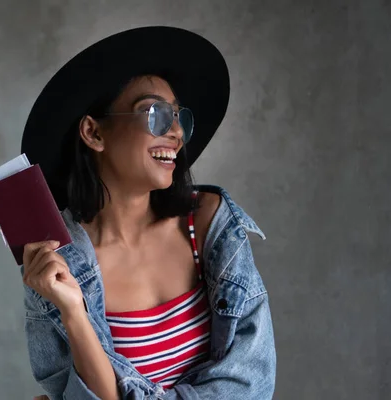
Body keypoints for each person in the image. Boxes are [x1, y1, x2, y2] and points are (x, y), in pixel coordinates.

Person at [19, 26, 276, 399]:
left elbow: (251, 385)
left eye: (178, 117)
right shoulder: (57, 263)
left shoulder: (210, 226)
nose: (176, 133)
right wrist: (74, 312)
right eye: (155, 113)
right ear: (93, 133)